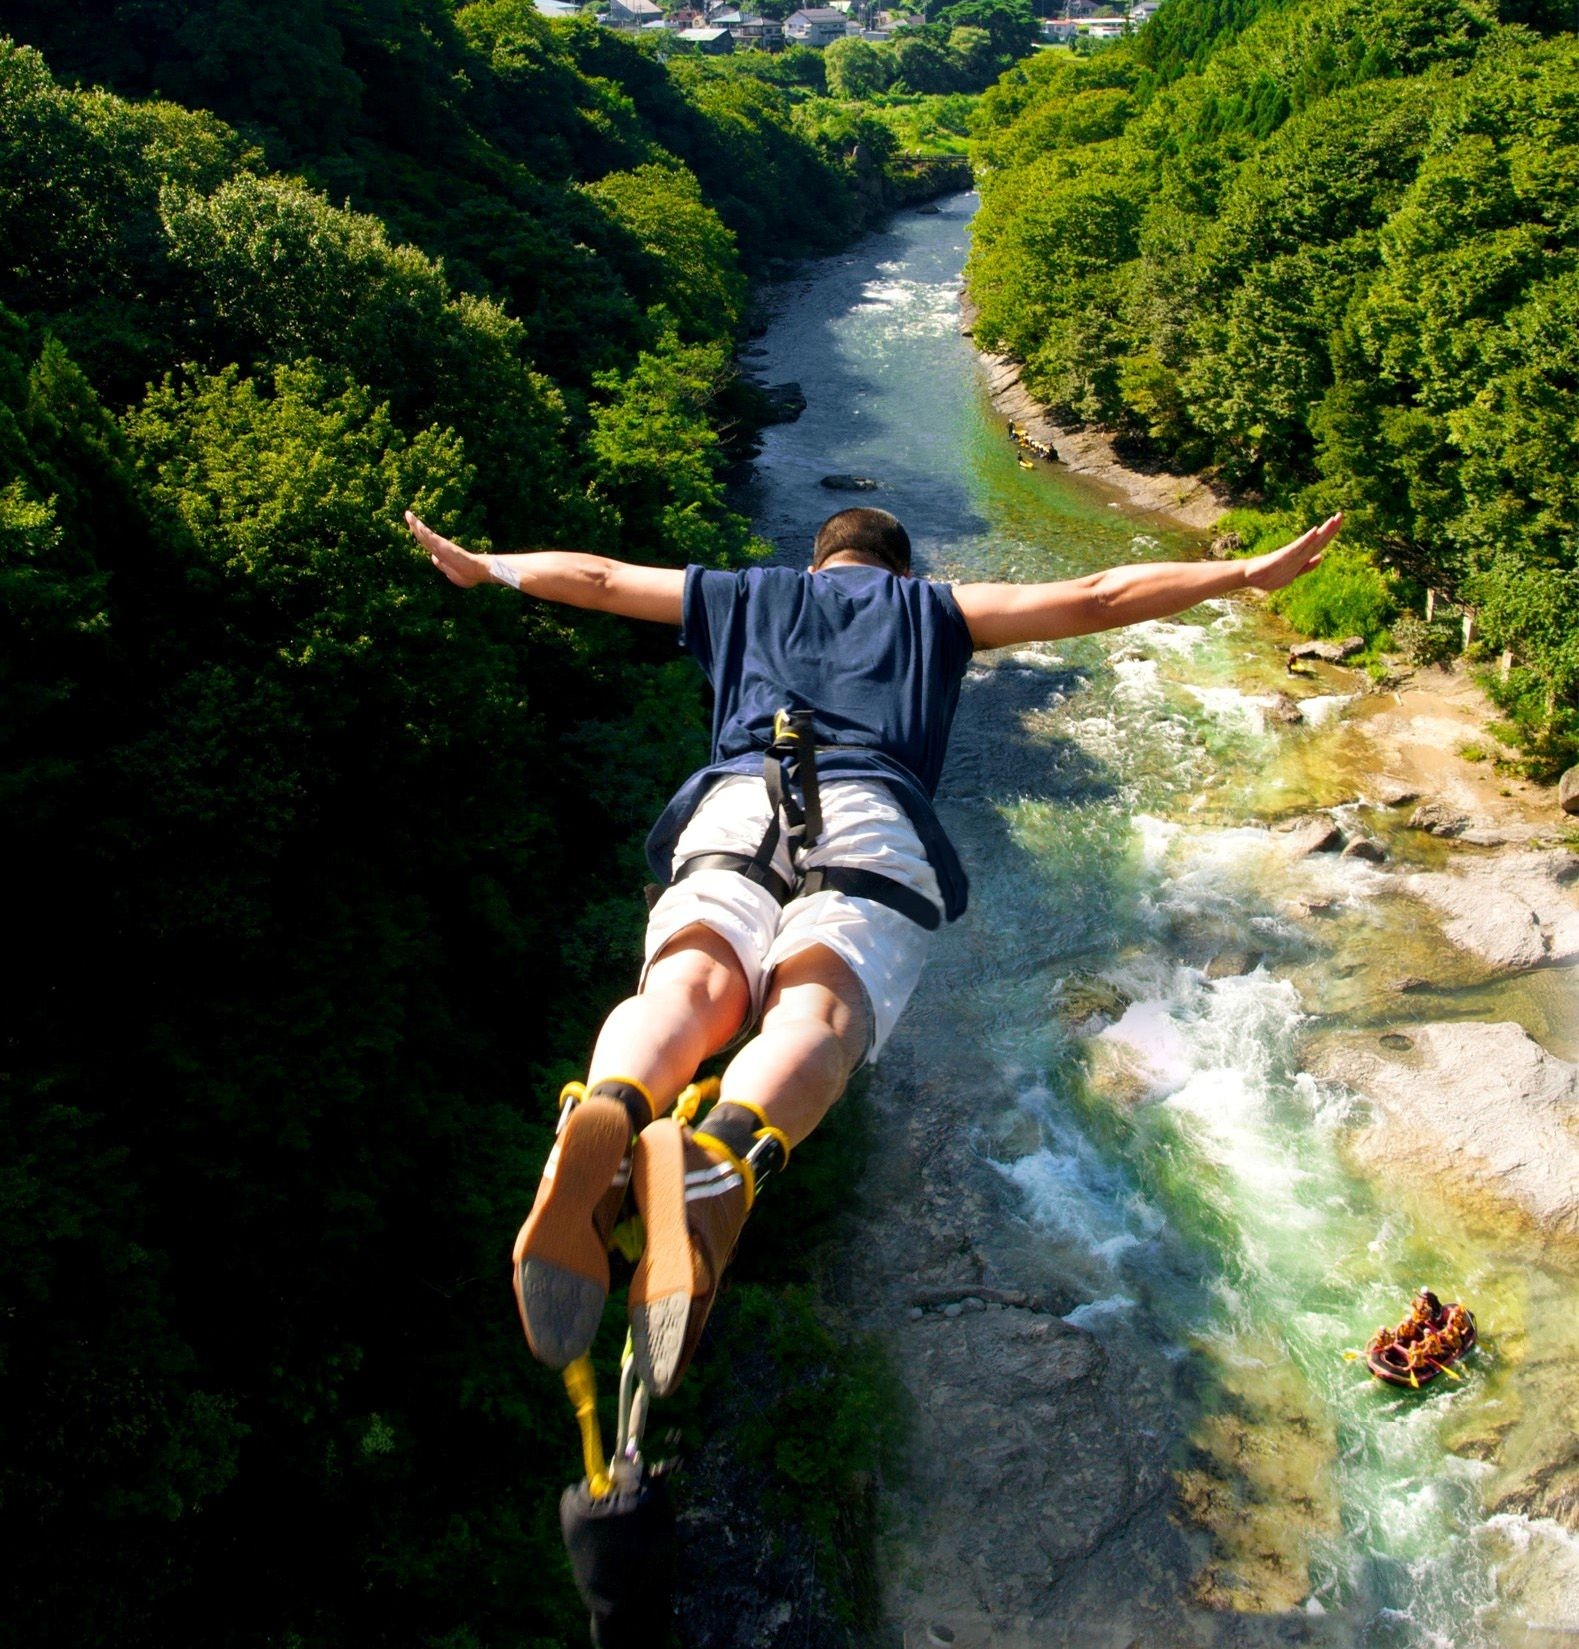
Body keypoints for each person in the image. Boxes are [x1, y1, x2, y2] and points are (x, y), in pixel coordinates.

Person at [404, 501, 1341, 1396]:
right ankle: (720, 1156)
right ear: (901, 567)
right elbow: (1098, 594)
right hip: (867, 816)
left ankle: (605, 1109)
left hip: (738, 800)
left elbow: (603, 579)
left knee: (691, 982)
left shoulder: (740, 594)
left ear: (819, 560)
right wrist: (1242, 573)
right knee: (815, 1011)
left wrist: (489, 567)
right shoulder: (935, 610)